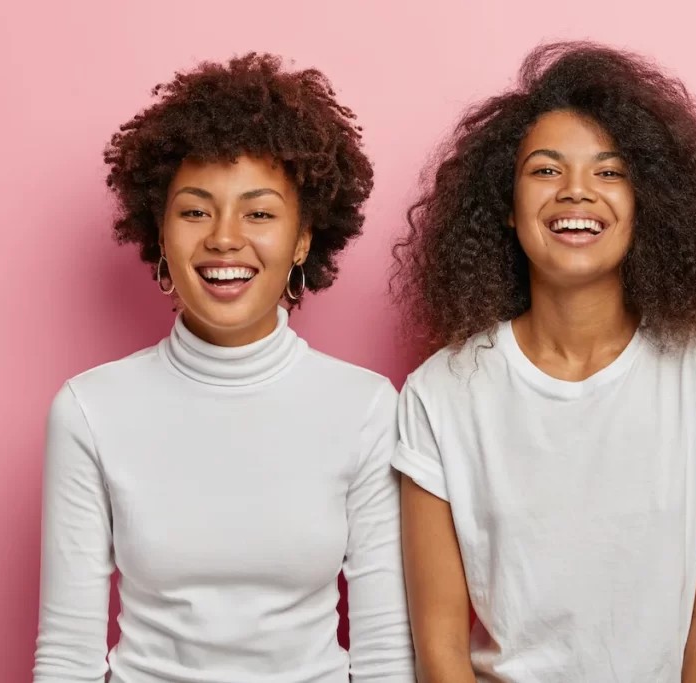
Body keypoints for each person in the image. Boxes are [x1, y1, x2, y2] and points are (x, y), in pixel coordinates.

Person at [391, 41, 696, 683]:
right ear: (506, 203)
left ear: (648, 200)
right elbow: (439, 646)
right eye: (545, 171)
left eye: (610, 172)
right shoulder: (441, 393)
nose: (576, 192)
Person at [33, 53, 414, 683]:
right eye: (194, 210)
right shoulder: (89, 409)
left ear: (302, 239)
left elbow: (384, 656)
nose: (224, 238)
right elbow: (68, 655)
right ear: (159, 233)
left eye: (259, 213)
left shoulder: (367, 407)